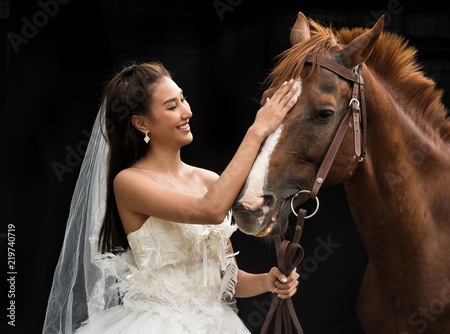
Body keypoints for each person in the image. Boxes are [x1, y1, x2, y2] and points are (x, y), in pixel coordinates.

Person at [43, 62, 299, 334]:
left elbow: (225, 282)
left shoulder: (209, 181)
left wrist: (268, 281)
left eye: (183, 99)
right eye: (171, 106)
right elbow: (210, 209)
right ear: (141, 123)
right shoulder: (130, 183)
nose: (187, 111)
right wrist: (256, 131)